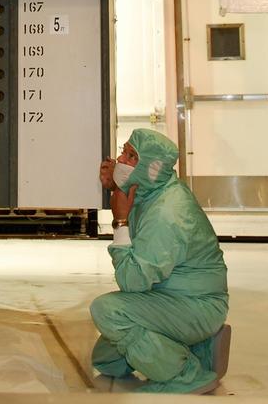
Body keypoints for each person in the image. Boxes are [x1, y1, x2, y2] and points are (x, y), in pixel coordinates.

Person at [90, 128, 232, 394]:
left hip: (195, 305)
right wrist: (117, 187)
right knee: (106, 361)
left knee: (108, 311)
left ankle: (186, 375)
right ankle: (199, 348)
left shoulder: (168, 212)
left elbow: (132, 281)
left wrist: (120, 221)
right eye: (124, 150)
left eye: (131, 156)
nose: (120, 160)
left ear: (152, 168)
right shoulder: (152, 190)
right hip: (170, 295)